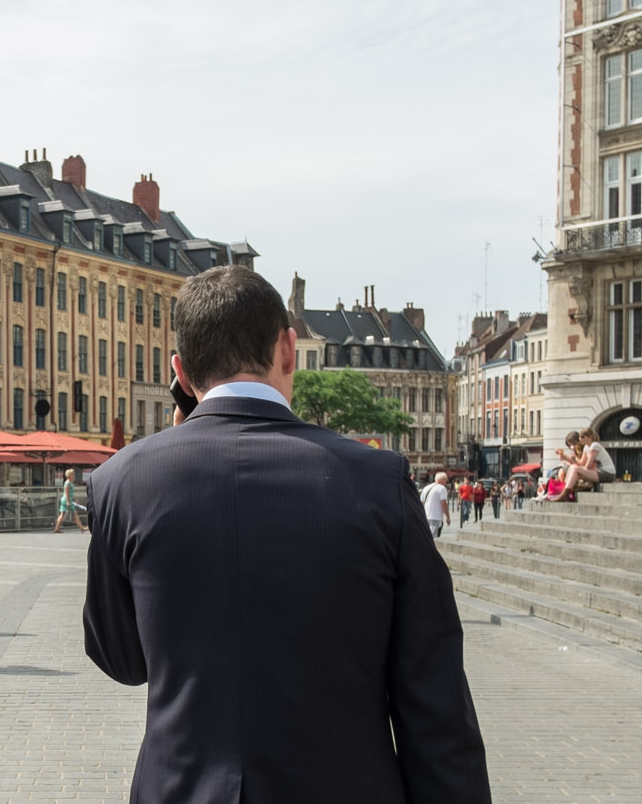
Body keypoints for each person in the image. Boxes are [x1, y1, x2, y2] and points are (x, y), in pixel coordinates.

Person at [83, 265, 488, 803]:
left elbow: (122, 659)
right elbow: (435, 702)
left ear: (179, 371)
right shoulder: (379, 481)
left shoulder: (120, 481)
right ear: (289, 349)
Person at [550, 428, 616, 499]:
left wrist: (576, 466)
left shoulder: (594, 446)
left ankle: (565, 494)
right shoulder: (586, 447)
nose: (580, 439)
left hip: (607, 473)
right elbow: (581, 463)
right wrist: (569, 458)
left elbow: (588, 466)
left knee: (574, 468)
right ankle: (565, 492)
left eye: (582, 437)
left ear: (589, 437)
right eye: (579, 437)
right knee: (573, 467)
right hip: (598, 472)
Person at [419, 472, 452, 539]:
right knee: (434, 538)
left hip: (426, 515)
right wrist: (448, 517)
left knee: (426, 536)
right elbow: (443, 503)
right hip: (436, 516)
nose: (445, 482)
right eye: (445, 481)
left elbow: (421, 502)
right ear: (442, 480)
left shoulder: (426, 488)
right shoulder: (442, 488)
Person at [53, 468, 87, 533]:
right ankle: (81, 527)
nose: (74, 475)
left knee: (62, 514)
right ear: (69, 475)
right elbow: (66, 492)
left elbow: (70, 493)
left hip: (66, 500)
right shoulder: (68, 483)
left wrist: (74, 499)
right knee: (75, 514)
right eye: (72, 474)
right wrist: (68, 501)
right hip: (67, 500)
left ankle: (57, 528)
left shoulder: (69, 482)